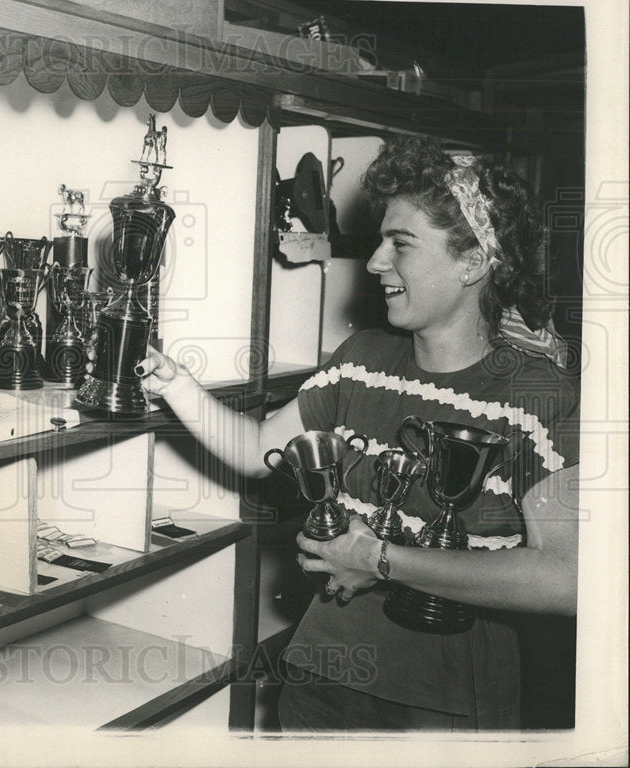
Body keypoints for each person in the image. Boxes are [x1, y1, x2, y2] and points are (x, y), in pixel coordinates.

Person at [134, 136, 580, 731]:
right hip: (322, 673)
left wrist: (379, 560)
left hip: (446, 698)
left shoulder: (535, 392)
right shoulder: (362, 359)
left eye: (401, 244)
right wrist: (177, 385)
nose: (374, 263)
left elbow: (566, 578)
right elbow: (255, 450)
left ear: (471, 263)